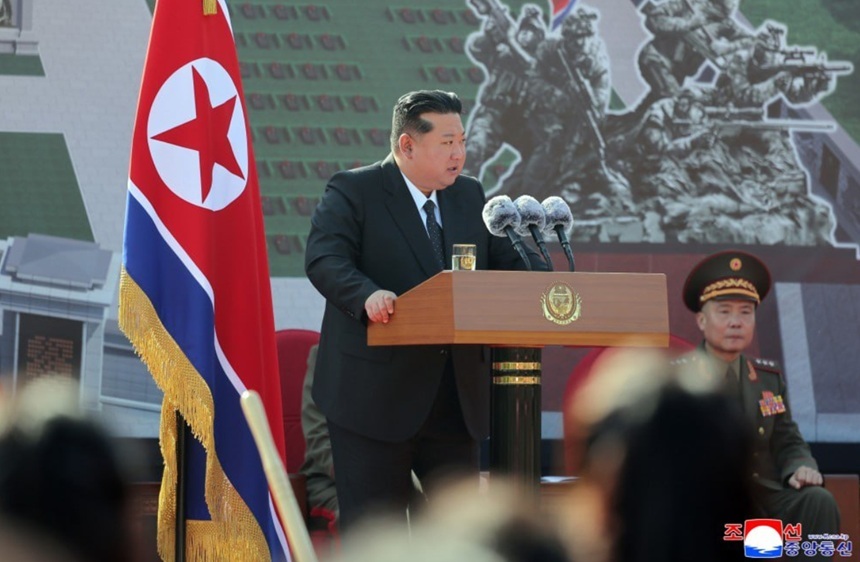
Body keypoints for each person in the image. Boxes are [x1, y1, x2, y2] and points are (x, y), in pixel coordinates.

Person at [304, 89, 545, 530]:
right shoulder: (355, 190)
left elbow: (514, 264)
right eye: (447, 143)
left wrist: (543, 276)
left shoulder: (471, 196)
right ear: (407, 145)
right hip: (374, 399)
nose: (459, 154)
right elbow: (325, 258)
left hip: (454, 400)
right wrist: (365, 295)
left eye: (462, 141)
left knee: (459, 535)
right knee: (378, 537)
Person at [680, 250, 840, 551]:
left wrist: (801, 466)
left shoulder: (768, 379)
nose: (736, 322)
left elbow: (787, 439)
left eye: (745, 312)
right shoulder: (679, 379)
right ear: (701, 320)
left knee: (817, 501)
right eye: (724, 312)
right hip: (705, 496)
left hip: (763, 493)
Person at [299, 344, 339, 533]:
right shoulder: (326, 354)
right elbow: (318, 437)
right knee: (368, 519)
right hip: (331, 481)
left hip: (403, 479)